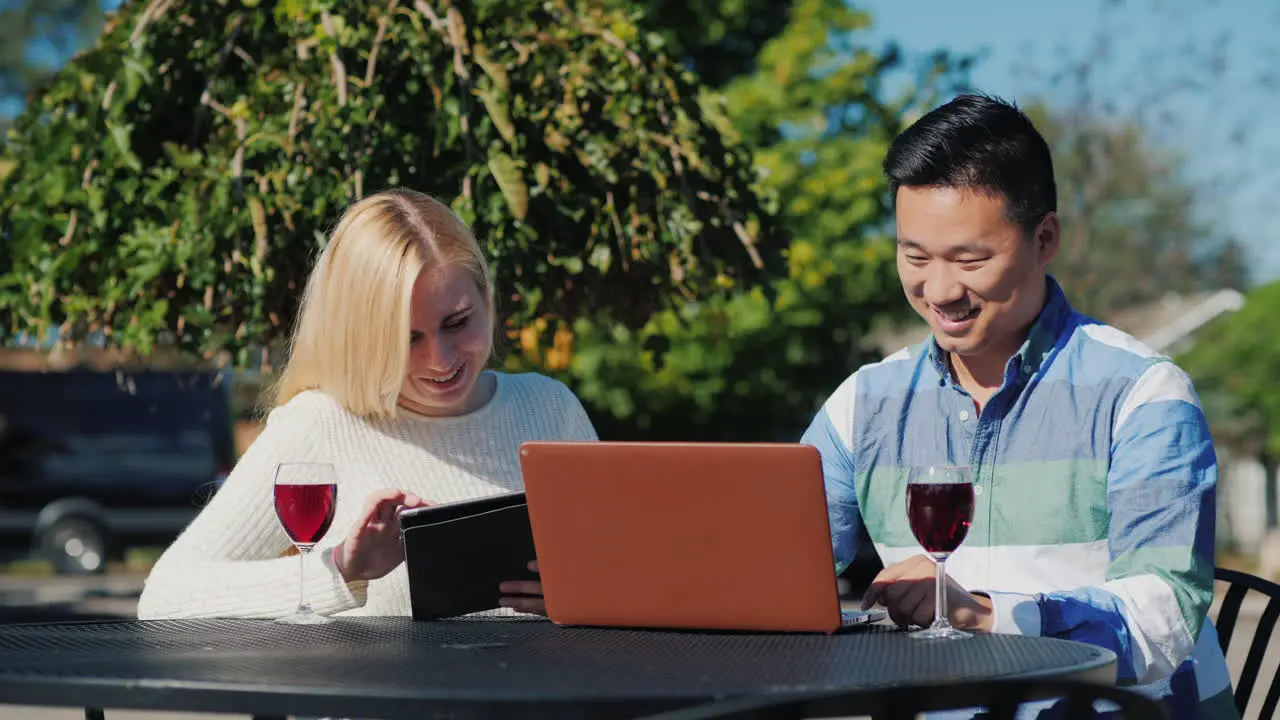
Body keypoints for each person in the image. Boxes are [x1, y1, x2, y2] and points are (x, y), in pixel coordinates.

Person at [801, 94, 1236, 718]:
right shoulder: (864, 403)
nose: (940, 290)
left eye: (971, 259)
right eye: (915, 256)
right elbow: (781, 577)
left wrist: (979, 611)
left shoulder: (1142, 393)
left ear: (1045, 237)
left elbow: (1162, 619)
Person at [137, 188, 596, 620]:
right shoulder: (319, 425)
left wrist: (585, 593)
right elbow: (165, 595)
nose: (441, 359)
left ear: (486, 299)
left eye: (457, 322)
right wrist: (342, 569)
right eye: (406, 338)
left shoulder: (548, 406)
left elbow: (627, 568)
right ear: (358, 337)